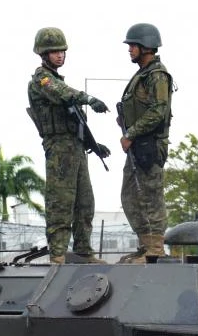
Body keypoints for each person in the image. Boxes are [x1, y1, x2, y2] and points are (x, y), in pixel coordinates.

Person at [27, 27, 110, 264]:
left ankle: (83, 251)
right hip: (59, 149)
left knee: (85, 203)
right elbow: (61, 92)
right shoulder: (41, 80)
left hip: (75, 147)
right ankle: (58, 256)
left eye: (62, 51)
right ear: (43, 54)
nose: (60, 55)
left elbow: (75, 121)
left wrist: (94, 145)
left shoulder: (58, 82)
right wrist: (88, 98)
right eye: (54, 52)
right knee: (61, 203)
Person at [117, 23, 174, 264]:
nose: (130, 49)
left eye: (133, 45)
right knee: (131, 196)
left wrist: (131, 132)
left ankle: (155, 250)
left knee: (150, 195)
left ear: (146, 47)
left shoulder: (157, 75)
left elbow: (159, 110)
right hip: (138, 145)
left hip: (149, 145)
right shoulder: (142, 75)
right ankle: (145, 246)